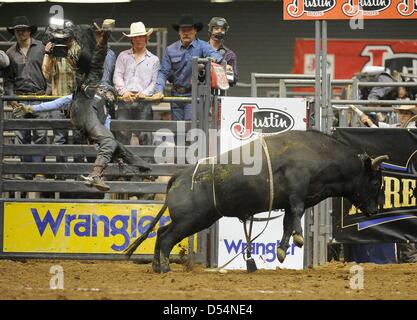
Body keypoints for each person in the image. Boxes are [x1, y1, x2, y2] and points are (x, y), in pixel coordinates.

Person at [68, 19, 151, 192]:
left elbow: (94, 54)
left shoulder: (76, 62)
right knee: (108, 141)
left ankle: (142, 167)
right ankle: (95, 175)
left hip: (80, 108)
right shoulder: (90, 65)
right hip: (86, 107)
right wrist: (105, 36)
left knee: (113, 142)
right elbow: (98, 55)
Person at [152, 14, 223, 121]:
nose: (186, 33)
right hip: (175, 95)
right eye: (183, 30)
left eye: (189, 30)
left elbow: (216, 55)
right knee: (177, 131)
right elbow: (163, 72)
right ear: (179, 32)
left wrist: (213, 58)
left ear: (195, 31)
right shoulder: (170, 50)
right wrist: (159, 90)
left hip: (193, 95)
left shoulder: (203, 46)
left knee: (189, 127)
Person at [3, 16, 48, 179]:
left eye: (23, 29)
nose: (21, 32)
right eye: (18, 30)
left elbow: (49, 72)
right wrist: (11, 98)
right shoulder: (10, 53)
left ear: (29, 31)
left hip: (39, 97)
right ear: (14, 32)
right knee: (22, 135)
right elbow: (8, 80)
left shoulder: (42, 48)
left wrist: (47, 93)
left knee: (40, 135)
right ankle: (26, 171)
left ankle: (38, 170)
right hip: (20, 98)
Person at [113, 21, 159, 146]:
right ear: (131, 39)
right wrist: (124, 91)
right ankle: (122, 164)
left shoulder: (154, 59)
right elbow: (117, 75)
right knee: (122, 135)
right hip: (125, 100)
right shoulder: (123, 56)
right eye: (135, 37)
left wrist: (143, 94)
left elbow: (154, 82)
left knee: (145, 135)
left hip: (143, 102)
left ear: (146, 38)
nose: (138, 39)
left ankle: (147, 164)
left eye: (141, 36)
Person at [207, 17, 237, 86]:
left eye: (222, 29)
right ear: (211, 30)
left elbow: (234, 80)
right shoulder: (201, 49)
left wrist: (228, 71)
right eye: (216, 28)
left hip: (220, 93)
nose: (219, 31)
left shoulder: (229, 54)